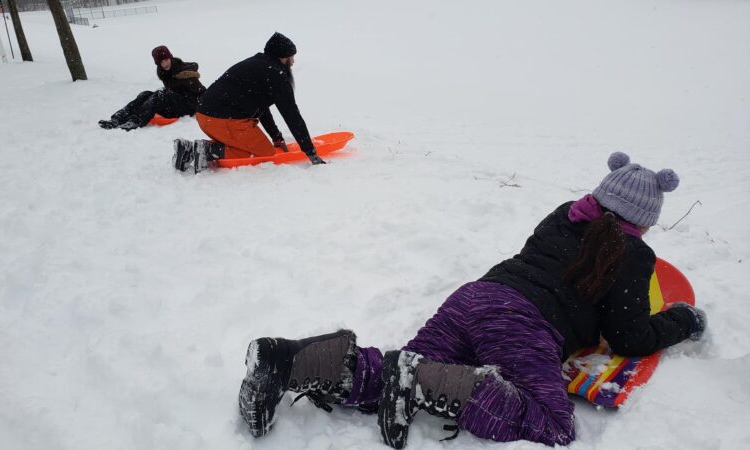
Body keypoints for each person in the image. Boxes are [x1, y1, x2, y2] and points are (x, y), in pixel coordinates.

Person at [237, 152, 708, 447]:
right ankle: (424, 379)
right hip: (522, 324)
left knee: (398, 372)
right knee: (550, 424)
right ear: (644, 219)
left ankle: (289, 360)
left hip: (474, 298)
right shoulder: (631, 255)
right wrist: (681, 321)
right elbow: (629, 336)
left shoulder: (563, 215)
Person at [172, 32, 325, 173]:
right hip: (222, 120)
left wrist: (276, 136)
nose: (292, 62)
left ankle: (195, 149)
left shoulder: (258, 64)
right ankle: (203, 151)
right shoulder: (276, 74)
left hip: (206, 117)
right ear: (281, 57)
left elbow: (261, 104)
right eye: (290, 57)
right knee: (265, 153)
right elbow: (291, 115)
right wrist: (310, 152)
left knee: (248, 143)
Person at [98, 46, 206, 131]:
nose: (165, 63)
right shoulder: (165, 73)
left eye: (166, 59)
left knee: (161, 94)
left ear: (170, 57)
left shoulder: (184, 72)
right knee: (145, 94)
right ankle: (117, 118)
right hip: (172, 104)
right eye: (162, 62)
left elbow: (202, 93)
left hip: (188, 107)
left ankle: (136, 121)